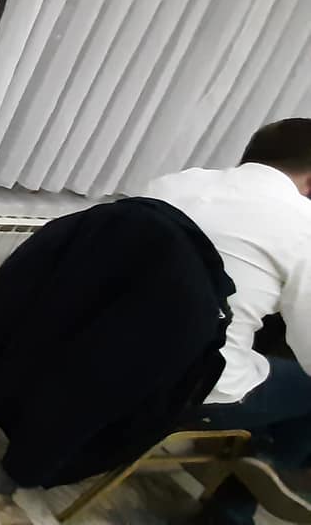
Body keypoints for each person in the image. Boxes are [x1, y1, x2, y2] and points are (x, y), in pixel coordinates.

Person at [142, 118, 311, 525]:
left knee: (266, 341)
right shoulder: (302, 226)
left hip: (92, 355)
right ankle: (242, 495)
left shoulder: (174, 184)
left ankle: (253, 452)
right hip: (179, 391)